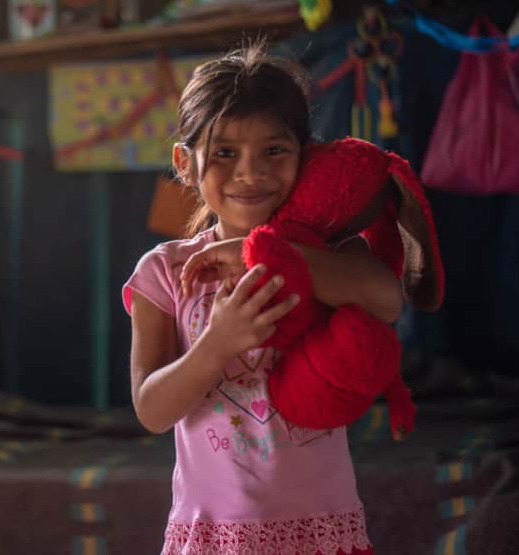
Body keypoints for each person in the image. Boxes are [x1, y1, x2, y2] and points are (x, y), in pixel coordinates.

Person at [123, 42, 403, 554]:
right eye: (225, 153)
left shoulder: (329, 255)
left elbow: (387, 298)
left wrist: (269, 255)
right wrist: (217, 344)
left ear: (305, 154)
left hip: (321, 531)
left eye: (274, 151)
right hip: (214, 536)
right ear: (184, 162)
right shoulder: (166, 271)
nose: (250, 174)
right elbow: (152, 410)